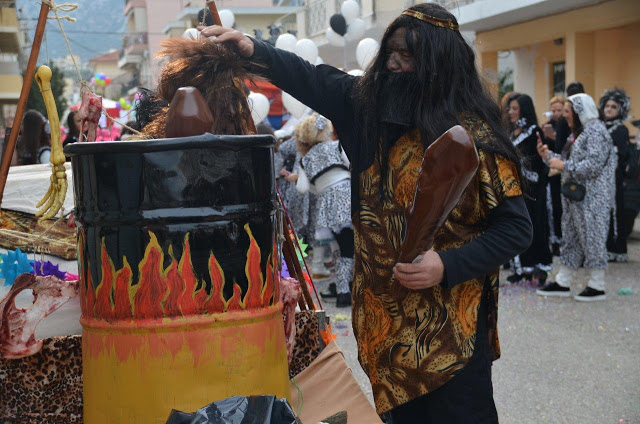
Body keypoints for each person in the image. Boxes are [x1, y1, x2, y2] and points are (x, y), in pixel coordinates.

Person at [200, 3, 532, 421]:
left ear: (439, 65)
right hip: (385, 330)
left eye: (407, 56)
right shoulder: (366, 110)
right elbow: (311, 77)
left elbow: (516, 230)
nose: (392, 64)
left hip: (452, 336)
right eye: (390, 52)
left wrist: (446, 265)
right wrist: (253, 48)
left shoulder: (475, 136)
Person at [537, 94, 617, 302]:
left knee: (593, 238)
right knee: (571, 238)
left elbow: (593, 164)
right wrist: (548, 157)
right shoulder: (581, 133)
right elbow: (570, 161)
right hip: (576, 198)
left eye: (567, 112)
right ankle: (563, 281)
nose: (564, 117)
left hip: (593, 199)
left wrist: (563, 165)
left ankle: (597, 285)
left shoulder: (596, 131)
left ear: (580, 111)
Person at [293, 114, 353, 307]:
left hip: (326, 202)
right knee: (348, 246)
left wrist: (317, 186)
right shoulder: (336, 145)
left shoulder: (305, 159)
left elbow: (301, 188)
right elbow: (350, 164)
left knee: (337, 248)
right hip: (344, 195)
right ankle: (346, 291)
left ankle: (344, 289)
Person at [506, 93, 552, 284]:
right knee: (515, 228)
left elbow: (542, 163)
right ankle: (521, 268)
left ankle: (539, 267)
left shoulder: (535, 133)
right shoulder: (511, 132)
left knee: (535, 227)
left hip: (533, 192)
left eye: (515, 108)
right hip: (513, 190)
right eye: (509, 108)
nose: (510, 112)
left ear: (524, 110)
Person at [599, 88, 631, 262]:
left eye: (614, 107)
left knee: (614, 211)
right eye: (607, 106)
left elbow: (622, 155)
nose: (609, 109)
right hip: (599, 180)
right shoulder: (600, 127)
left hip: (614, 179)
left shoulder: (621, 130)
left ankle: (616, 248)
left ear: (621, 110)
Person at [543, 96, 566, 253]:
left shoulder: (568, 125)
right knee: (553, 206)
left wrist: (556, 138)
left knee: (562, 206)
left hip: (565, 168)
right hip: (551, 171)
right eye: (553, 110)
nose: (556, 113)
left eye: (559, 110)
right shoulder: (548, 126)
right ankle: (555, 241)